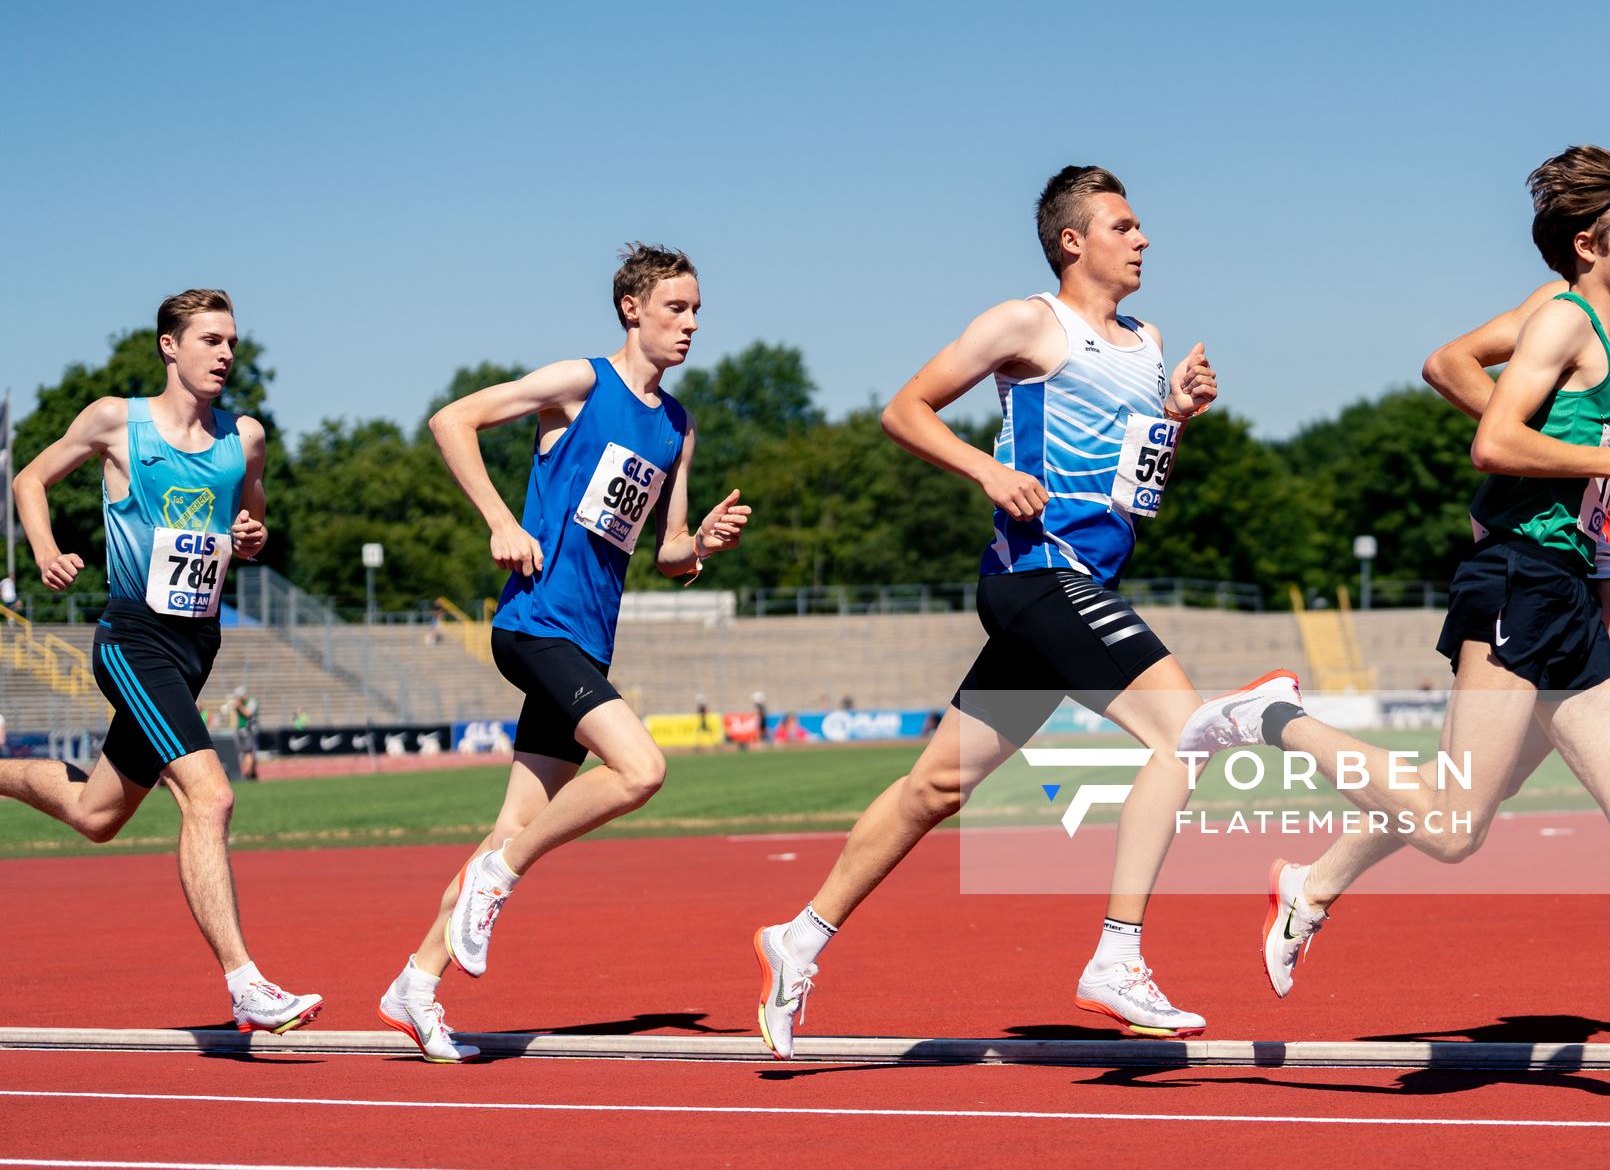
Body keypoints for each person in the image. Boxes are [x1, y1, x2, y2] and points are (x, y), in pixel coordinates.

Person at [1185, 147, 1610, 1106]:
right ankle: (1269, 722)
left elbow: (1597, 447)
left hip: (1565, 586)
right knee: (1451, 824)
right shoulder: (1561, 318)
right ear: (1591, 243)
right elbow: (1493, 440)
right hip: (1518, 579)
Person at [753, 165, 1218, 1058]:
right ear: (1073, 241)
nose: (1144, 239)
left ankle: (799, 937)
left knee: (935, 787)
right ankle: (1117, 957)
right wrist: (987, 470)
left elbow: (1132, 477)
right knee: (1185, 734)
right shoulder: (1026, 323)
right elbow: (905, 410)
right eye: (1124, 226)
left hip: (1086, 581)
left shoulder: (1150, 340)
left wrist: (1178, 415)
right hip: (1037, 575)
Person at [377, 243, 751, 1063]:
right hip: (535, 623)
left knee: (512, 824)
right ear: (632, 309)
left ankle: (417, 981)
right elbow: (452, 420)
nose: (690, 325)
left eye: (696, 312)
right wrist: (499, 523)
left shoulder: (678, 425)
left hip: (588, 640)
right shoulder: (580, 385)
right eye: (676, 309)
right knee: (641, 770)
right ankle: (497, 880)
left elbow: (669, 554)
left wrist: (703, 546)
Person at [4, 289, 323, 1033]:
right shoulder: (117, 420)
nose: (225, 354)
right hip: (132, 639)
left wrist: (250, 534)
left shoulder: (243, 437)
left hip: (196, 646)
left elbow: (253, 521)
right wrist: (48, 552)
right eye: (210, 339)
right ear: (169, 347)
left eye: (233, 342)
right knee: (209, 797)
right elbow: (29, 480)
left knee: (96, 813)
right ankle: (245, 983)